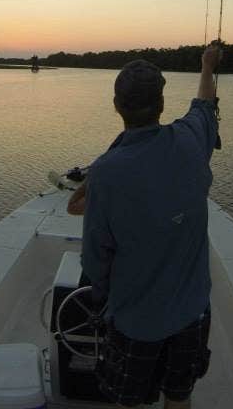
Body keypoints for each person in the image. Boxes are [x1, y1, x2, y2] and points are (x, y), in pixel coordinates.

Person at [74, 44, 221, 408]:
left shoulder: (105, 172)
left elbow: (95, 259)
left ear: (116, 105)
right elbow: (205, 105)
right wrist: (207, 66)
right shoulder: (191, 138)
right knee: (179, 395)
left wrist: (101, 297)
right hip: (192, 313)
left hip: (135, 321)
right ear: (161, 103)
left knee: (129, 400)